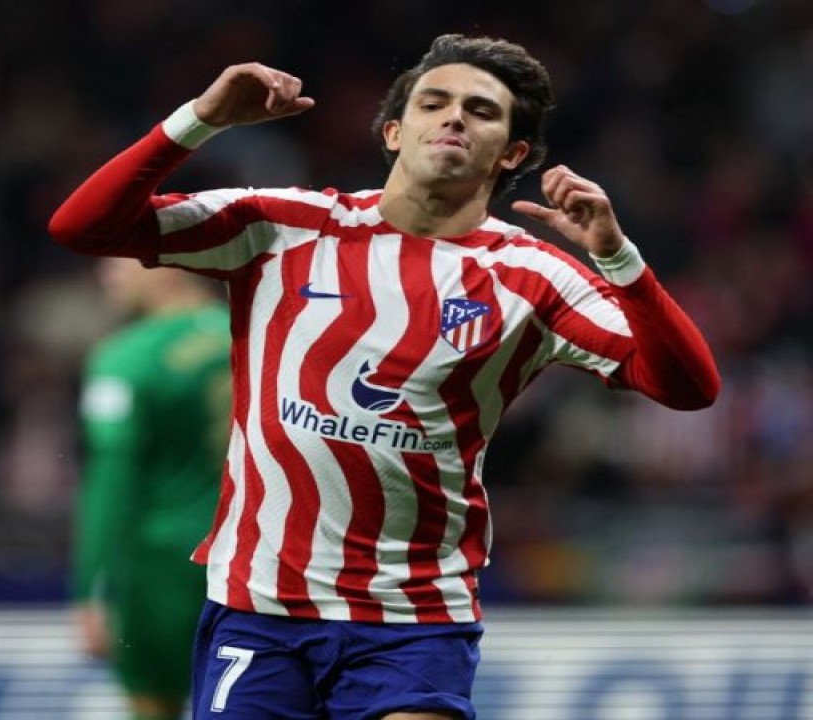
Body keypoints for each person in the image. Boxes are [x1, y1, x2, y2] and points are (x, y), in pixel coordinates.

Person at [49, 33, 720, 720]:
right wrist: (203, 117)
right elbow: (84, 227)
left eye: (481, 111)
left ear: (512, 154)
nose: (455, 117)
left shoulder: (535, 277)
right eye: (435, 103)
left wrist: (617, 258)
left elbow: (687, 387)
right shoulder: (285, 226)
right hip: (260, 607)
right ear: (396, 132)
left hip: (412, 616)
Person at [72, 256, 233, 720]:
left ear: (167, 263)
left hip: (161, 566)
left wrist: (88, 590)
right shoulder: (258, 335)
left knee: (153, 707)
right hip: (253, 559)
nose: (107, 274)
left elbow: (110, 482)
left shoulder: (126, 358)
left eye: (120, 261)